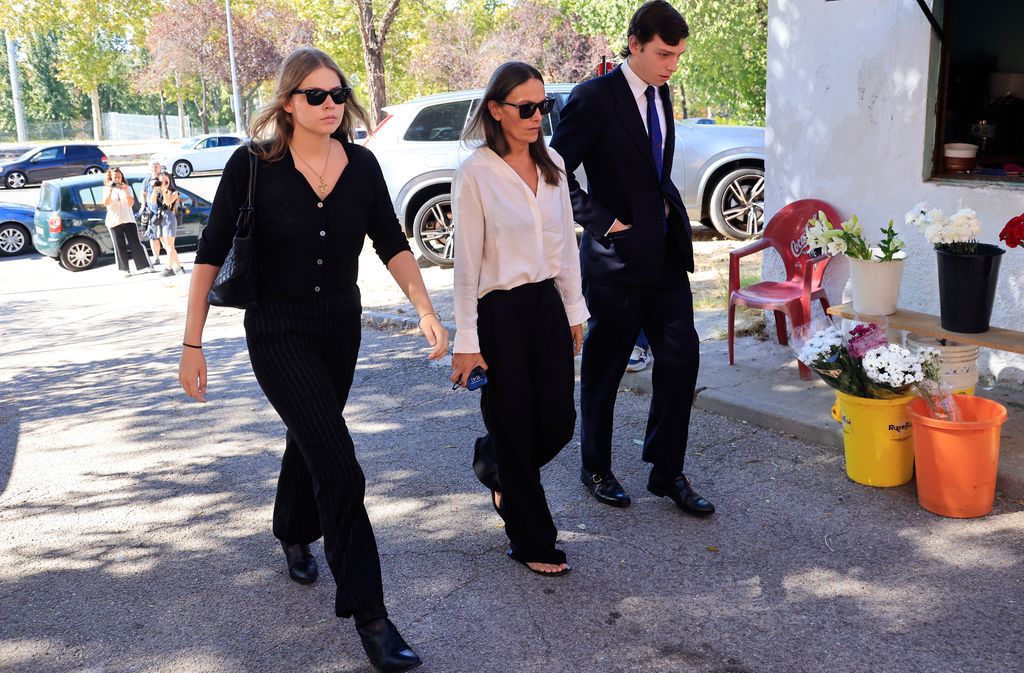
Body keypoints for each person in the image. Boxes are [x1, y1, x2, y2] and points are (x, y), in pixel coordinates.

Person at [178, 47, 447, 673]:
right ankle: (372, 617)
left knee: (312, 437)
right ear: (288, 102)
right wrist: (192, 344)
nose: (330, 105)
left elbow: (392, 243)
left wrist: (426, 309)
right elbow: (210, 254)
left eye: (337, 93)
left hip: (339, 328)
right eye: (314, 96)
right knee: (339, 463)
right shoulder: (253, 166)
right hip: (276, 328)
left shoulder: (363, 165)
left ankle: (292, 529)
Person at [550, 0, 715, 517]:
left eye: (678, 56)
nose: (671, 65)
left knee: (681, 357)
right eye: (664, 54)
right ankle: (595, 466)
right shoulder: (594, 98)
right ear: (635, 44)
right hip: (616, 260)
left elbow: (651, 165)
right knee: (605, 367)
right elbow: (554, 172)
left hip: (664, 253)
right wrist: (605, 222)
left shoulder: (662, 94)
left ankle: (666, 471)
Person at [451, 62, 588, 577]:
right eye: (526, 107)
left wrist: (574, 310)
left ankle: (494, 462)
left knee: (557, 422)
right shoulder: (476, 173)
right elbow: (466, 263)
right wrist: (467, 340)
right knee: (513, 419)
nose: (537, 117)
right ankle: (532, 540)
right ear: (496, 110)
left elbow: (565, 246)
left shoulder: (552, 162)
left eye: (543, 106)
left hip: (546, 304)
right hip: (499, 312)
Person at [103, 167, 151, 277]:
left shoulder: (127, 188)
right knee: (119, 246)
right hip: (114, 221)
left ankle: (144, 266)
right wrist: (110, 190)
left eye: (119, 177)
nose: (117, 179)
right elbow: (105, 203)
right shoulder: (106, 189)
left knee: (135, 243)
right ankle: (124, 269)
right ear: (111, 178)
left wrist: (125, 191)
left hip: (128, 219)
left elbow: (130, 204)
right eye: (115, 177)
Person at [151, 171, 184, 276]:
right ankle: (178, 267)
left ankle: (169, 269)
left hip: (169, 218)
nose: (164, 182)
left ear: (170, 180)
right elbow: (152, 202)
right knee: (165, 245)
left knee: (170, 245)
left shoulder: (174, 192)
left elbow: (168, 203)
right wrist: (156, 190)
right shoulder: (159, 190)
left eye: (166, 179)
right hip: (160, 218)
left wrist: (164, 190)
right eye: (162, 180)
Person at [140, 160, 163, 267]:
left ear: (160, 168)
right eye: (153, 166)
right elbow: (143, 194)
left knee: (164, 237)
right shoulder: (146, 181)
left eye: (156, 166)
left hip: (163, 211)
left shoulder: (164, 178)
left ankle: (171, 259)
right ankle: (157, 258)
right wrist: (143, 205)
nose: (154, 168)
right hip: (152, 213)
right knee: (153, 236)